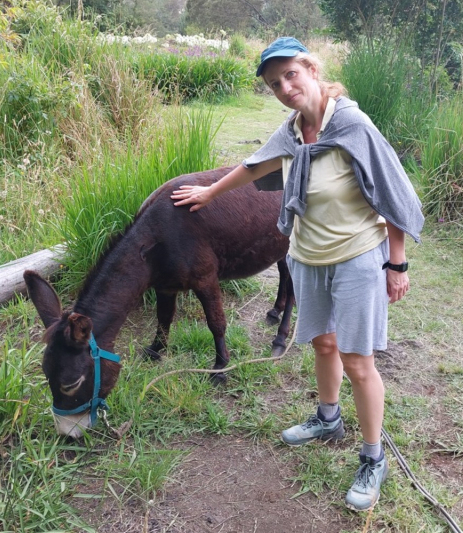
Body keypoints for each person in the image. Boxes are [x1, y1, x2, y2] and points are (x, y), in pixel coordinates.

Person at [171, 37, 424, 511]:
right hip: (306, 257)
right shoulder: (292, 131)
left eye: (291, 75)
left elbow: (392, 192)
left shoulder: (352, 124)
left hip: (356, 257)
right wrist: (208, 194)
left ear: (311, 69)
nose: (285, 88)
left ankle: (373, 457)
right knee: (323, 343)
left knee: (357, 360)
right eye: (274, 83)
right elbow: (255, 166)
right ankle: (328, 418)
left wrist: (397, 261)